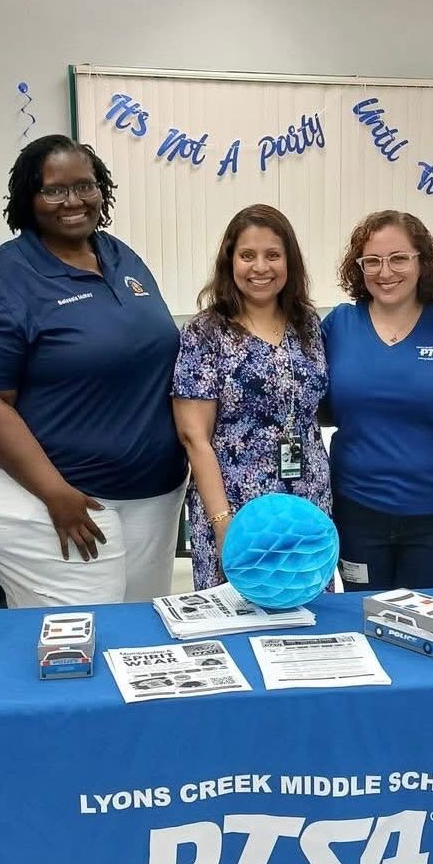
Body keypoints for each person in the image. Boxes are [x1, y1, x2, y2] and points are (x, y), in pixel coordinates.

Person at [0, 135, 186, 608]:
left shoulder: (121, 256)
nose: (73, 201)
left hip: (150, 491)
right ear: (28, 200)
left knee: (142, 627)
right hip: (52, 499)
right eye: (54, 190)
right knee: (79, 644)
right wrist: (55, 494)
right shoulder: (3, 276)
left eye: (86, 186)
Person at [173, 204, 331, 589]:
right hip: (235, 503)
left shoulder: (307, 324)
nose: (260, 267)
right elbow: (195, 437)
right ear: (230, 262)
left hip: (306, 501)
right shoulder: (206, 333)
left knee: (304, 614)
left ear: (289, 261)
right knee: (237, 618)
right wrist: (223, 523)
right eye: (248, 255)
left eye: (273, 255)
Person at [322, 210, 433, 591]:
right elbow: (316, 402)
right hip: (356, 509)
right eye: (371, 261)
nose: (385, 272)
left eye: (399, 258)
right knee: (364, 616)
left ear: (422, 261)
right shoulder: (338, 326)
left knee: (429, 624)